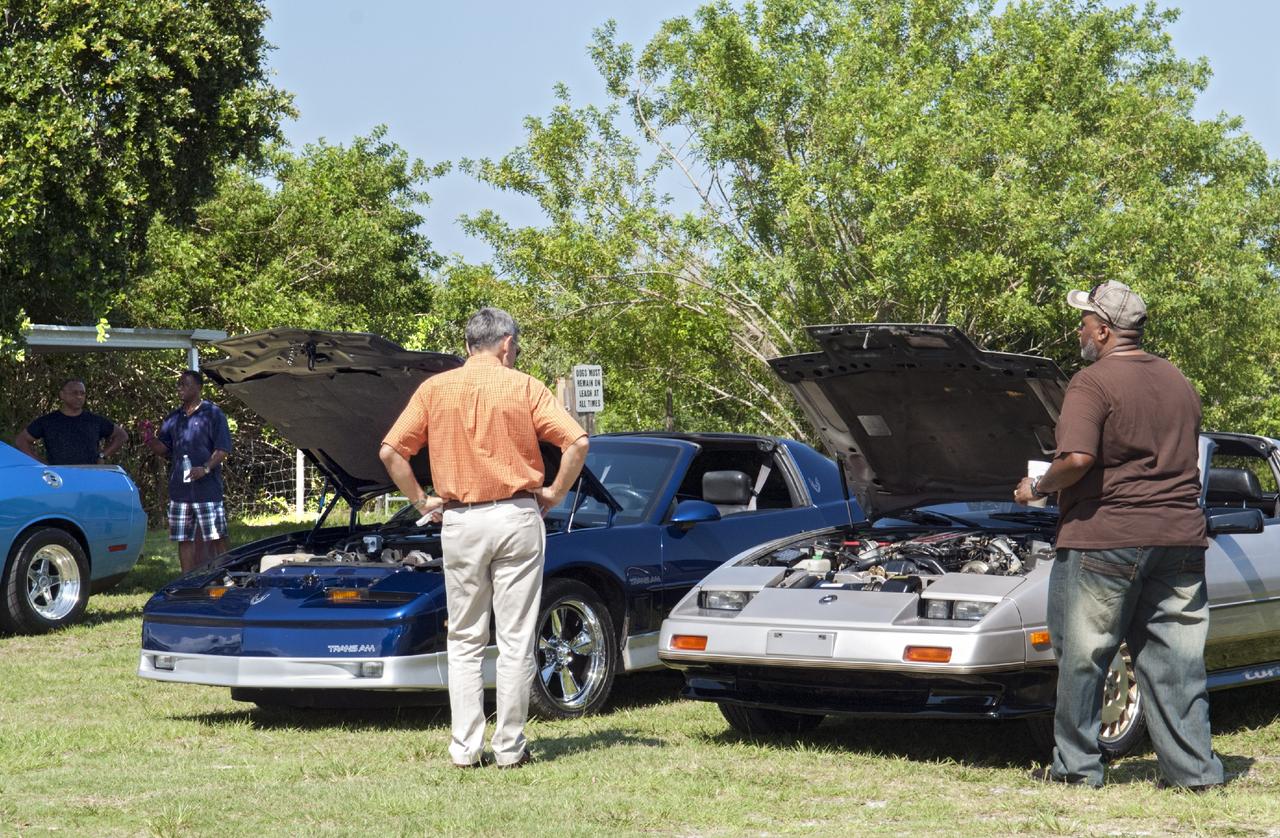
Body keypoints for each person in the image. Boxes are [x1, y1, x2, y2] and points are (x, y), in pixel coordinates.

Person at [1014, 280, 1224, 790]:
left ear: (1104, 331)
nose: (1079, 329)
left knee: (1083, 656)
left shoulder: (1092, 382)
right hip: (1178, 538)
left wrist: (1037, 486)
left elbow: (1078, 459)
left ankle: (1077, 768)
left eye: (1084, 322)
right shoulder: (1180, 381)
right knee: (1176, 662)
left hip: (1105, 537)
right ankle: (1194, 773)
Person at [379, 307, 589, 769]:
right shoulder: (526, 386)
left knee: (466, 637)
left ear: (469, 343)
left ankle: (465, 747)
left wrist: (420, 501)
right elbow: (577, 442)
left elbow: (391, 451)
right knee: (515, 638)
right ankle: (510, 747)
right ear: (507, 344)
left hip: (460, 520)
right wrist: (553, 493)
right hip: (517, 515)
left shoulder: (434, 389)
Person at [142, 370, 233, 574]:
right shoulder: (174, 418)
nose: (181, 389)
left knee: (217, 535)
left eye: (186, 385)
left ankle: (227, 576)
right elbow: (163, 450)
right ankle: (187, 581)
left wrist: (206, 468)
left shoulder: (213, 414)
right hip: (180, 491)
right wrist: (149, 438)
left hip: (207, 490)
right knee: (184, 538)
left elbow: (223, 449)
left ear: (199, 387)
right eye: (179, 385)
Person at [15, 378, 128, 465]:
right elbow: (21, 440)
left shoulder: (94, 420)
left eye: (82, 393)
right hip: (60, 478)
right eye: (74, 393)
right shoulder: (48, 421)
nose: (79, 397)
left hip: (90, 475)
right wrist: (41, 464)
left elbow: (121, 435)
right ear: (62, 395)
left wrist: (103, 456)